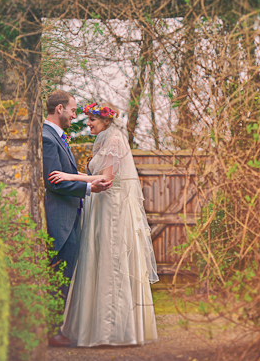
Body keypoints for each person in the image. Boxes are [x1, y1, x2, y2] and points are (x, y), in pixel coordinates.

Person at [48, 102, 159, 347]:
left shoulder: (116, 141)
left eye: (92, 120)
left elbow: (106, 179)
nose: (87, 123)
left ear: (106, 122)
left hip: (112, 210)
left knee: (111, 262)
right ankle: (96, 326)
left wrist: (70, 176)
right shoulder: (103, 141)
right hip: (99, 208)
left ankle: (113, 331)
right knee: (96, 262)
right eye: (88, 119)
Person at [42, 91, 112, 347]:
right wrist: (88, 188)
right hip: (60, 219)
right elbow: (53, 180)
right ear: (59, 108)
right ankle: (51, 331)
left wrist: (85, 179)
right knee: (59, 273)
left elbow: (67, 174)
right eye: (72, 109)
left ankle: (56, 328)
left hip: (71, 217)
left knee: (65, 274)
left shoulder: (57, 136)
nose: (75, 114)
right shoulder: (47, 137)